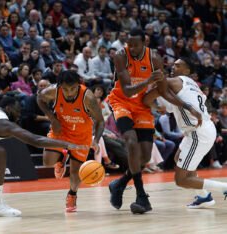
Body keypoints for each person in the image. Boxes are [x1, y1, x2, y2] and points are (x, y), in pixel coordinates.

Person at [107, 28, 200, 214]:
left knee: (146, 157)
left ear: (145, 43)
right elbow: (127, 91)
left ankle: (119, 184)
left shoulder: (154, 59)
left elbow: (164, 91)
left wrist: (186, 106)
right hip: (121, 102)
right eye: (129, 44)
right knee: (132, 143)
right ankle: (141, 196)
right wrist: (148, 79)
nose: (131, 48)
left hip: (142, 105)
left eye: (135, 45)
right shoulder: (120, 56)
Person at [142, 58, 227, 208]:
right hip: (200, 130)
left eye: (178, 65)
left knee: (181, 180)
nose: (173, 66)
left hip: (198, 133)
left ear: (187, 71)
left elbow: (149, 95)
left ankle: (224, 188)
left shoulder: (178, 81)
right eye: (173, 64)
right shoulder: (191, 86)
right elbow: (161, 102)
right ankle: (204, 197)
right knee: (178, 157)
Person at [37, 70, 104, 212]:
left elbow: (100, 121)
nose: (69, 93)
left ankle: (72, 194)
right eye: (65, 89)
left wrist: (96, 140)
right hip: (61, 129)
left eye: (73, 89)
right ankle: (62, 157)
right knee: (47, 162)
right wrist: (52, 119)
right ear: (59, 86)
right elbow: (39, 98)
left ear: (79, 85)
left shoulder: (88, 98)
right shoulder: (52, 92)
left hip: (82, 134)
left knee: (75, 172)